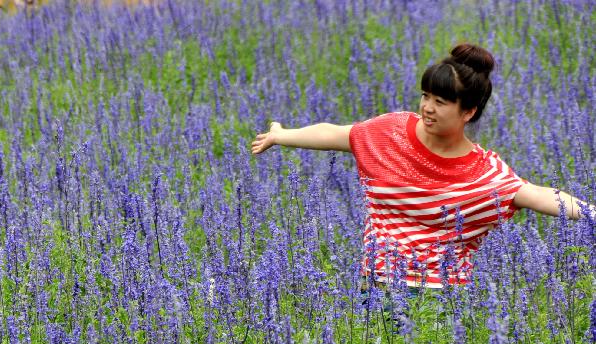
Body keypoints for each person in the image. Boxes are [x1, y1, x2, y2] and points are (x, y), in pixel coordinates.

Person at [251, 44, 593, 289]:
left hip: (443, 299)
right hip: (378, 289)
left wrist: (591, 213)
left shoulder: (482, 172)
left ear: (468, 112)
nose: (427, 108)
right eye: (425, 96)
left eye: (440, 102)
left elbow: (537, 195)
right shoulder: (392, 132)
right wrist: (282, 135)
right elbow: (339, 133)